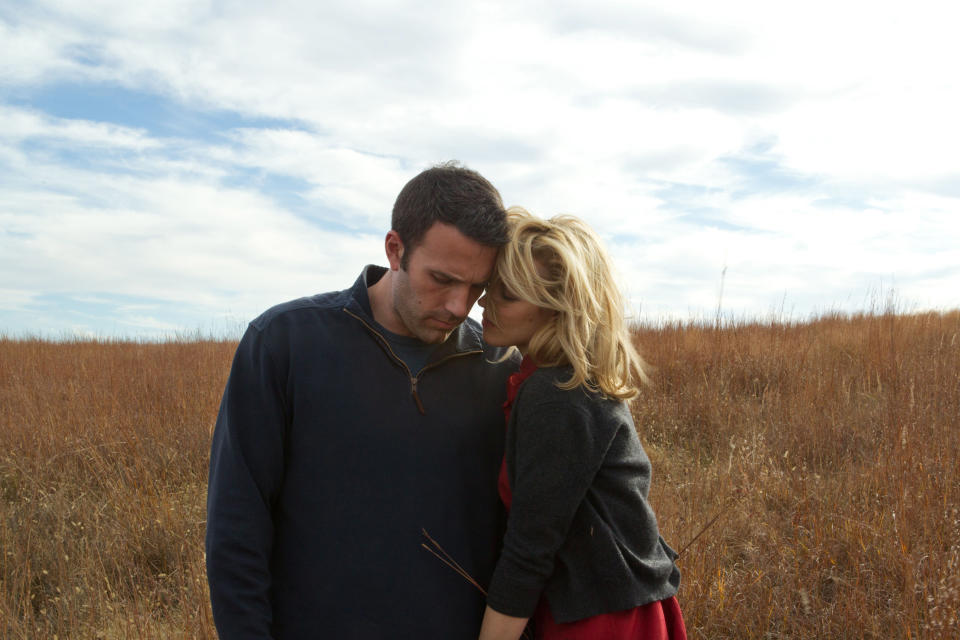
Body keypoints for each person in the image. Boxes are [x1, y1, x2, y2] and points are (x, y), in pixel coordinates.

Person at [205, 162, 520, 639]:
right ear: (396, 250)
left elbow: (528, 541)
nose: (459, 305)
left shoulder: (501, 368)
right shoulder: (284, 344)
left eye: (477, 288)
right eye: (442, 279)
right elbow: (236, 530)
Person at [475, 208, 687, 640]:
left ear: (558, 308)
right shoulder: (563, 377)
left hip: (599, 620)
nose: (483, 303)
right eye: (490, 288)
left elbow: (530, 549)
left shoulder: (557, 394)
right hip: (610, 603)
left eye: (507, 295)